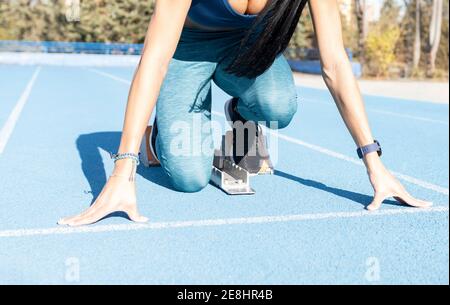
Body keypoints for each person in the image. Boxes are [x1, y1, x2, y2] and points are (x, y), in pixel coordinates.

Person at [58, 0, 432, 227]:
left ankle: (240, 112)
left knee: (278, 106)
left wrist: (374, 162)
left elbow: (335, 64)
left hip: (246, 49)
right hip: (186, 50)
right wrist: (124, 170)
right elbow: (154, 61)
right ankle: (155, 136)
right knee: (189, 178)